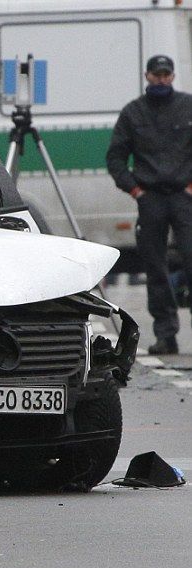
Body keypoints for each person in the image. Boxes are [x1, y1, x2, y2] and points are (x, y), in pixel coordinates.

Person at [107, 54, 192, 355]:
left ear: (172, 76)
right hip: (150, 197)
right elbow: (115, 157)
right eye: (156, 75)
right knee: (155, 269)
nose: (161, 79)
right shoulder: (133, 113)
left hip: (184, 196)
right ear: (147, 76)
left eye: (166, 74)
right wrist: (135, 190)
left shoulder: (187, 106)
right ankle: (165, 336)